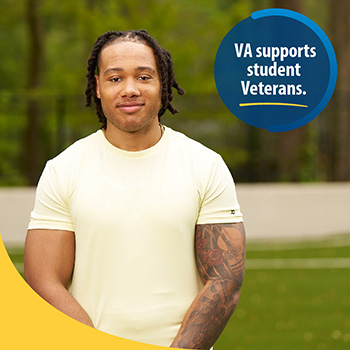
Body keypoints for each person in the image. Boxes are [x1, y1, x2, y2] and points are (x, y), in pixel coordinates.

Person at [24, 30, 245, 349]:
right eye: (115, 79)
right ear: (98, 86)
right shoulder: (63, 169)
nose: (130, 89)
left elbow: (225, 280)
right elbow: (44, 281)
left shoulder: (204, 165)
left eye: (144, 77)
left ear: (162, 84)